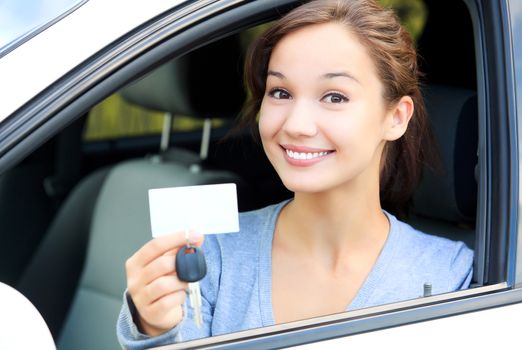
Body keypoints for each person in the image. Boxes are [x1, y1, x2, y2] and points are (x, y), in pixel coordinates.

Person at [117, 0, 473, 348]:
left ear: (396, 117)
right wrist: (155, 330)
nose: (297, 125)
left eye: (334, 97)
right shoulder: (207, 257)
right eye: (281, 92)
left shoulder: (452, 273)